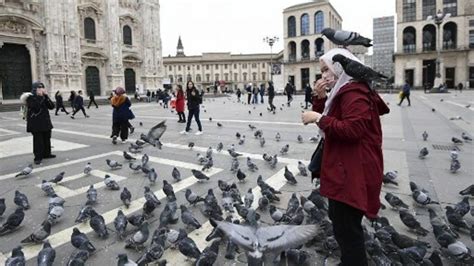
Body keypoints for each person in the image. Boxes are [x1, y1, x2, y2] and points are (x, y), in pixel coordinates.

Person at [301, 48, 389, 266]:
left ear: (339, 68)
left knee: (347, 230)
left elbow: (352, 130)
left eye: (326, 70)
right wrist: (320, 100)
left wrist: (317, 117)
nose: (323, 76)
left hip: (352, 172)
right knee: (342, 225)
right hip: (347, 168)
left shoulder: (354, 92)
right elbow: (333, 123)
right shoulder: (347, 91)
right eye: (321, 71)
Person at [25, 82, 56, 165]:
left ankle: (47, 154)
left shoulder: (44, 97)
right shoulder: (30, 98)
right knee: (38, 141)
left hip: (45, 122)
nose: (41, 89)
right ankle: (38, 157)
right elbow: (36, 108)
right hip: (36, 123)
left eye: (42, 88)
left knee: (47, 138)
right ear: (35, 89)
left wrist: (46, 96)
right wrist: (39, 97)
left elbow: (52, 106)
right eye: (39, 88)